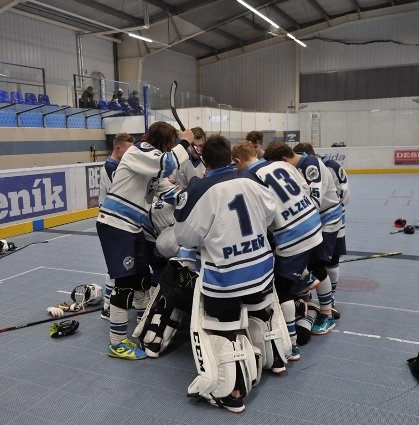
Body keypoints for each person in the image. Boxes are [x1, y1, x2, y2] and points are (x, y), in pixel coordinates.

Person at [174, 135, 290, 413]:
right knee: (262, 311)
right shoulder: (253, 180)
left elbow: (185, 237)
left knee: (221, 328)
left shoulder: (201, 189)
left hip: (225, 278)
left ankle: (231, 391)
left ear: (204, 160)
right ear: (230, 157)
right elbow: (272, 214)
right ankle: (275, 360)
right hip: (261, 269)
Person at [97, 122, 194, 360]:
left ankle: (143, 324)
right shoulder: (139, 151)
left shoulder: (150, 164)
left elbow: (165, 189)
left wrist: (195, 195)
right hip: (116, 225)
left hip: (132, 226)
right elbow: (168, 162)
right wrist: (185, 142)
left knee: (141, 278)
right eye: (171, 144)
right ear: (165, 143)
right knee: (124, 283)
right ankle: (117, 343)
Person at [232, 140, 323, 365]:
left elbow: (261, 214)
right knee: (291, 268)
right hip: (314, 223)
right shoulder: (281, 165)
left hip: (293, 236)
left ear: (238, 160)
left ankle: (291, 344)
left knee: (282, 289)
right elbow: (304, 190)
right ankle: (305, 277)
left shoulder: (250, 178)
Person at [264, 142, 343, 336]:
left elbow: (312, 202)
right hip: (317, 221)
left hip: (325, 220)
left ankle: (326, 313)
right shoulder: (304, 164)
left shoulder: (310, 165)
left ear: (283, 160)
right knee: (315, 265)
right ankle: (323, 302)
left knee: (318, 265)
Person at [292, 143, 350, 319]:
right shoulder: (303, 167)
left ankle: (329, 302)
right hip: (317, 220)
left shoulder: (331, 167)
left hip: (332, 220)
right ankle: (315, 299)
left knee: (330, 262)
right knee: (317, 262)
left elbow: (345, 196)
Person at [98, 133, 135, 319]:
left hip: (115, 220)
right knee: (115, 266)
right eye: (128, 150)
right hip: (112, 221)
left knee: (118, 265)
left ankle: (110, 303)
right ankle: (107, 306)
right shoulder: (112, 168)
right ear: (118, 148)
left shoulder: (117, 166)